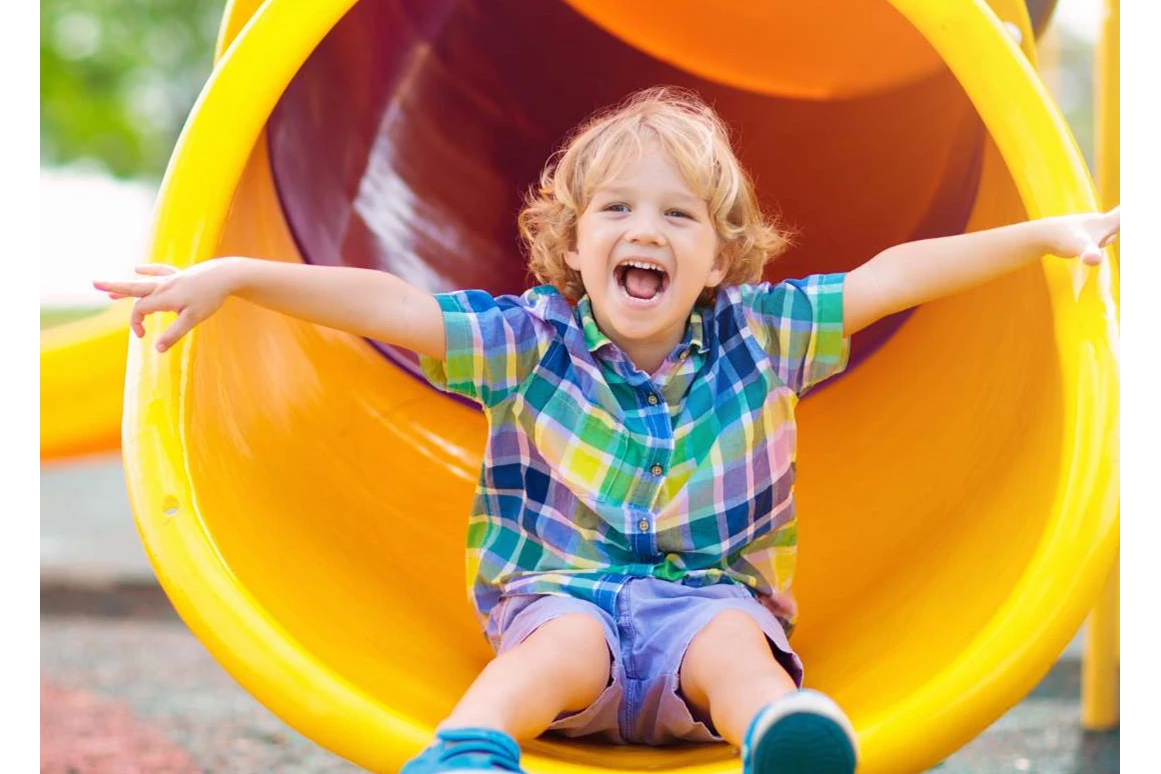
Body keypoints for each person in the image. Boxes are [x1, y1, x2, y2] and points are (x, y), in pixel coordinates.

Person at [94, 86, 1120, 774]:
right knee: (556, 649)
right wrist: (236, 277)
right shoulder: (525, 340)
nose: (646, 231)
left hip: (705, 606)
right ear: (571, 243)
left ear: (721, 257)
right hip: (560, 603)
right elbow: (385, 302)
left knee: (733, 648)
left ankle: (787, 735)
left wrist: (1042, 236)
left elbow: (889, 279)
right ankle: (472, 749)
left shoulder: (763, 334)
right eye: (617, 210)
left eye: (679, 218)